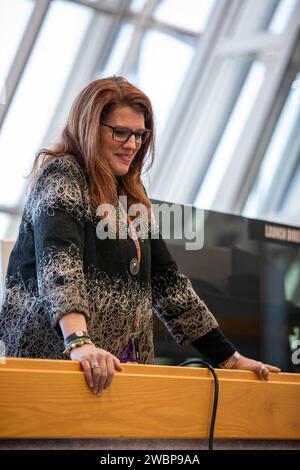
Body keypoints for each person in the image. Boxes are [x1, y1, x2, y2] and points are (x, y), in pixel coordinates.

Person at [0, 76, 280, 396]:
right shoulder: (63, 174)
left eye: (139, 134)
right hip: (56, 365)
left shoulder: (130, 191)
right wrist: (78, 342)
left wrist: (229, 359)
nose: (132, 144)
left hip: (120, 371)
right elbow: (60, 266)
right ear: (89, 126)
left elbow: (166, 281)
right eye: (120, 132)